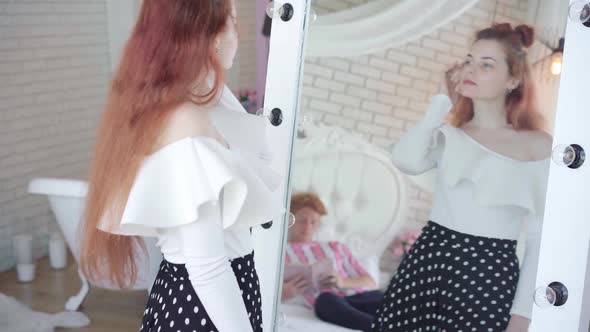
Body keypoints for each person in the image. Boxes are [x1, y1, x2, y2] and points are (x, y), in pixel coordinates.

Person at [79, 1, 283, 331]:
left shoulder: (205, 97)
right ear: (211, 36)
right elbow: (208, 268)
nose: (239, 34)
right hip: (204, 306)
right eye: (232, 22)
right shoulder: (186, 121)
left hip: (208, 296)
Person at [371, 23, 552, 332]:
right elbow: (404, 159)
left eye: (486, 65)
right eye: (469, 60)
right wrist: (442, 101)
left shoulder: (538, 146)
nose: (471, 69)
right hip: (426, 264)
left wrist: (523, 316)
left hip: (487, 276)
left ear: (513, 79)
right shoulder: (447, 136)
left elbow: (539, 239)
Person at [283, 192, 384, 331]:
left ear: (319, 224)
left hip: (360, 296)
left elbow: (370, 282)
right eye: (302, 221)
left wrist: (342, 281)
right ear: (291, 220)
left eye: (313, 222)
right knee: (325, 300)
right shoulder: (282, 253)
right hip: (330, 303)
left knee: (384, 299)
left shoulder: (336, 247)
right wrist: (283, 294)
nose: (308, 227)